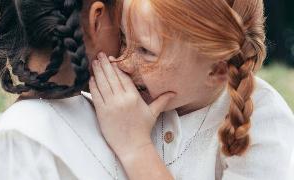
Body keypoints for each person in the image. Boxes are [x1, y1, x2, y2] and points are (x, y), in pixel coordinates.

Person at [89, 0, 294, 179]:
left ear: (216, 71)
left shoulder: (264, 123)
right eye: (123, 39)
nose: (122, 62)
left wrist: (135, 146)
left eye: (146, 51)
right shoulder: (119, 103)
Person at [0, 0, 127, 179]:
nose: (127, 39)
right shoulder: (20, 141)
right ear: (96, 20)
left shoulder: (109, 111)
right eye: (122, 22)